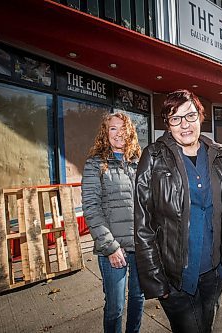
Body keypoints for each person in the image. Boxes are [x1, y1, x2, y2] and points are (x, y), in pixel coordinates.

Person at [134, 89, 222, 333]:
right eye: (175, 118)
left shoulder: (218, 156)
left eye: (189, 116)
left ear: (200, 116)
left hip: (213, 272)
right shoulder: (153, 157)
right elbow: (142, 223)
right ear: (167, 124)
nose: (184, 125)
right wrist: (156, 280)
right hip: (175, 278)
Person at [81, 112, 144, 333]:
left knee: (138, 299)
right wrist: (110, 247)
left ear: (130, 132)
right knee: (115, 308)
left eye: (123, 128)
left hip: (140, 247)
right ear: (105, 134)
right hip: (114, 251)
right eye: (113, 129)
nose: (119, 133)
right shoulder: (95, 164)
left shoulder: (138, 163)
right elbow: (91, 208)